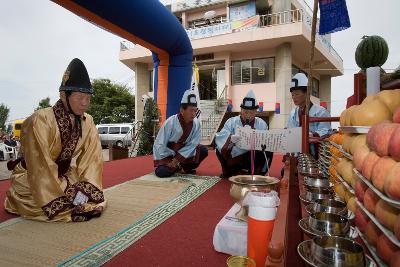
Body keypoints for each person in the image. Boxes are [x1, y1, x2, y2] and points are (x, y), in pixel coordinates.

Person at [4, 58, 106, 222]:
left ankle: (73, 198)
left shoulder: (88, 121)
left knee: (90, 197)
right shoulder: (39, 120)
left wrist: (85, 188)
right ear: (63, 95)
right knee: (40, 203)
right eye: (80, 97)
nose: (85, 103)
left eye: (88, 98)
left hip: (64, 175)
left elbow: (92, 159)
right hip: (34, 177)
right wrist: (66, 194)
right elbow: (40, 165)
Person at [215, 90, 273, 178]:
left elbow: (266, 142)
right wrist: (230, 139)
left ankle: (258, 173)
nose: (248, 115)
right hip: (235, 155)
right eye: (246, 112)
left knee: (268, 150)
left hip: (252, 155)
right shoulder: (231, 121)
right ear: (241, 110)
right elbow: (221, 139)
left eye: (251, 112)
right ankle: (228, 170)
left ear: (256, 111)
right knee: (218, 148)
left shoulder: (261, 124)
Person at [153, 89, 208, 177]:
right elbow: (160, 143)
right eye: (191, 110)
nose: (193, 114)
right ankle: (178, 168)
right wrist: (169, 161)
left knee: (203, 150)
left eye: (195, 110)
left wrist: (177, 160)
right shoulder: (170, 122)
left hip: (183, 156)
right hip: (168, 155)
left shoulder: (196, 124)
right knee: (161, 172)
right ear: (182, 110)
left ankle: (184, 168)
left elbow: (193, 144)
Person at [287, 73, 331, 137]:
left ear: (306, 93)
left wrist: (313, 135)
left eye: (297, 94)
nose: (294, 97)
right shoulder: (293, 113)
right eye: (292, 95)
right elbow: (290, 130)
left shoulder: (321, 111)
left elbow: (326, 131)